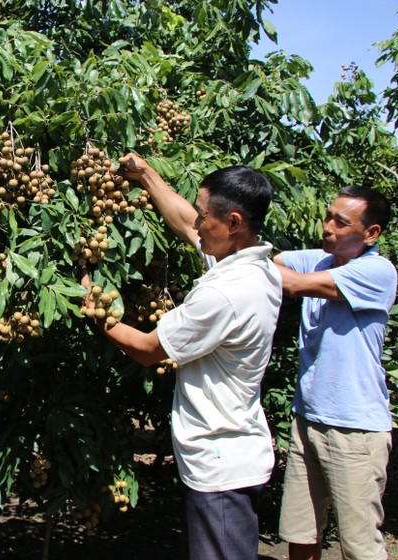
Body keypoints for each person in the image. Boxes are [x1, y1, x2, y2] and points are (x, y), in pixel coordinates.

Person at [86, 153, 282, 559]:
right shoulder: (255, 265)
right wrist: (147, 175)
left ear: (232, 223)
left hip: (220, 464)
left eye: (203, 215)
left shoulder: (224, 293)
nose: (195, 223)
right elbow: (182, 220)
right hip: (232, 452)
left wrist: (90, 303)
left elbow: (145, 349)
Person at [274, 185, 397, 560]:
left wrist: (265, 266)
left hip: (354, 428)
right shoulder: (321, 259)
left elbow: (292, 283)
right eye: (328, 216)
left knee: (359, 546)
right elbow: (270, 259)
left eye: (340, 223)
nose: (327, 226)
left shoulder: (377, 271)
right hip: (306, 418)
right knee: (300, 533)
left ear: (371, 233)